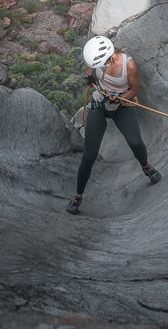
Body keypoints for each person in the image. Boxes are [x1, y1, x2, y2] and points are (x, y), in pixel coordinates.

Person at [66, 35, 161, 214]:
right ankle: (78, 196)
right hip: (100, 103)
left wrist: (119, 98)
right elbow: (92, 64)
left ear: (110, 56)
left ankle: (146, 166)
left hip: (122, 106)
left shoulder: (128, 65)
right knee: (89, 155)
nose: (98, 67)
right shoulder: (97, 57)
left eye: (101, 64)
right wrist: (89, 76)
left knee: (135, 142)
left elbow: (134, 89)